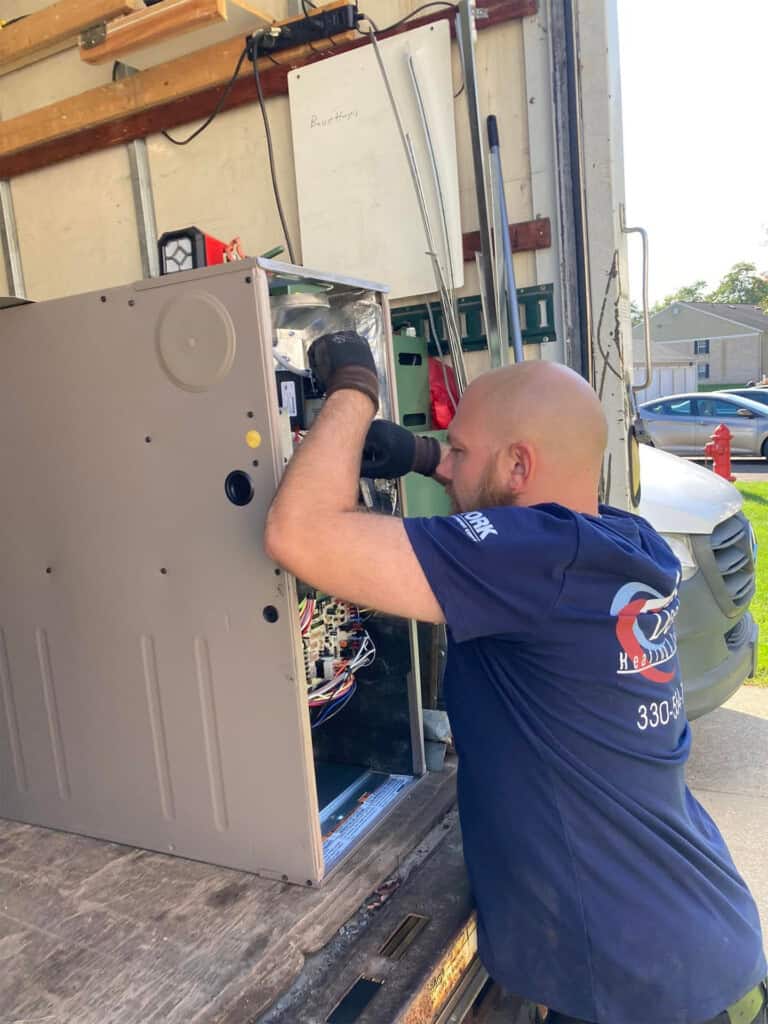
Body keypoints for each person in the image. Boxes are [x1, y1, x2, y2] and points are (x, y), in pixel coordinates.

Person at [264, 331, 766, 1024]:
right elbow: (513, 496)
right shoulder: (622, 541)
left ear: (519, 464)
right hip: (700, 946)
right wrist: (428, 456)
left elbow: (300, 534)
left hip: (645, 994)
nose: (450, 463)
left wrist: (354, 387)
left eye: (460, 449)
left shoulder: (531, 561)